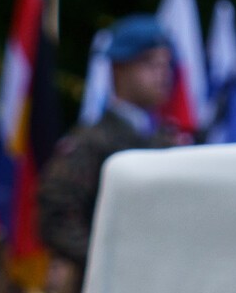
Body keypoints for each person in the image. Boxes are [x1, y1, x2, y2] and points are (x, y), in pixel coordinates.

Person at [36, 16, 174, 273]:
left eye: (165, 63)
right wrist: (110, 262)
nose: (162, 74)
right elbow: (56, 218)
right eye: (148, 62)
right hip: (108, 287)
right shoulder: (90, 142)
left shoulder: (166, 139)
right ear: (118, 69)